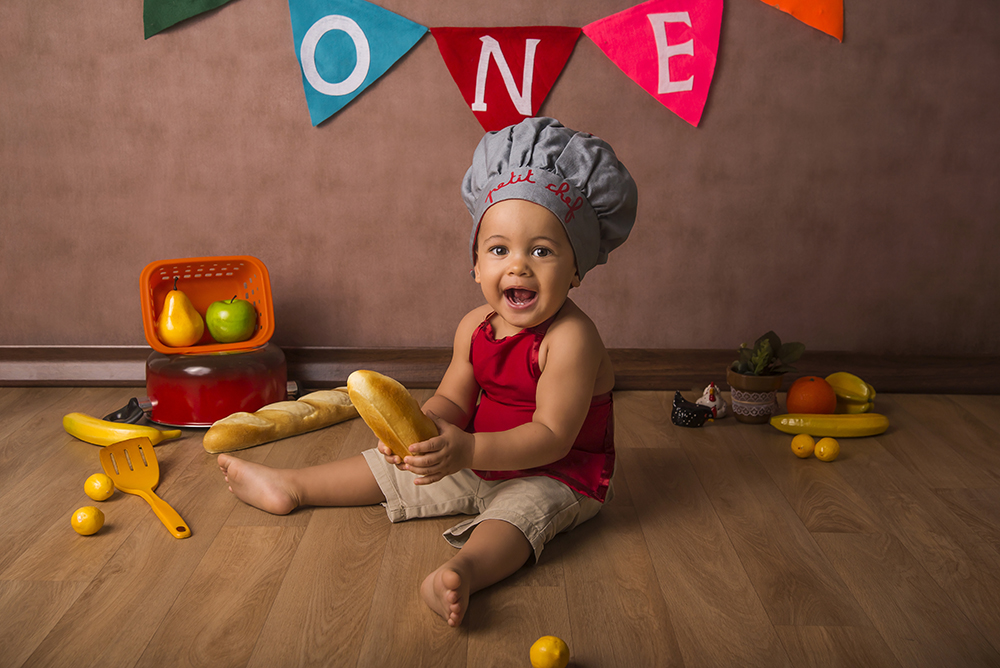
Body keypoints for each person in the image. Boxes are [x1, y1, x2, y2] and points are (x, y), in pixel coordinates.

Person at [218, 116, 638, 627]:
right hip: (479, 455)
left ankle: (462, 570)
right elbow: (452, 402)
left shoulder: (571, 338)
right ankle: (295, 486)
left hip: (563, 473)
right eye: (499, 249)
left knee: (519, 514)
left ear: (576, 268)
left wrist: (466, 448)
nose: (518, 265)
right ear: (476, 265)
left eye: (542, 251)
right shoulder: (474, 327)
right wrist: (418, 432)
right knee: (395, 468)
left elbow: (552, 437)